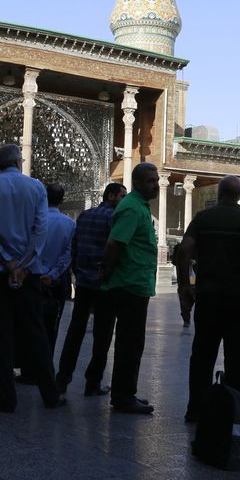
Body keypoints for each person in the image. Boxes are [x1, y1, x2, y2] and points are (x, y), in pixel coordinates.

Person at [0, 144, 64, 413]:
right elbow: (40, 231)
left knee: (0, 334)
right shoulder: (36, 187)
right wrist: (23, 265)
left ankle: (7, 397)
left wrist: (6, 261)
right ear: (18, 161)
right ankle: (50, 394)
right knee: (36, 332)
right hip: (30, 273)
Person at [178, 175, 240, 423]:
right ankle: (234, 410)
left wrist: (185, 287)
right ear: (239, 195)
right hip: (238, 298)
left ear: (220, 193)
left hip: (208, 295)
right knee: (236, 356)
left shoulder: (202, 218)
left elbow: (185, 249)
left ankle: (195, 408)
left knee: (202, 354)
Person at [101, 162, 160, 414]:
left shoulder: (139, 207)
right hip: (129, 284)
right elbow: (115, 243)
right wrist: (108, 270)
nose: (156, 185)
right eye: (150, 181)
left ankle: (125, 392)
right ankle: (124, 396)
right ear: (137, 183)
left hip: (135, 283)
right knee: (130, 342)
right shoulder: (133, 208)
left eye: (156, 180)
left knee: (132, 341)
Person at [56, 183, 126, 397]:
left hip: (84, 281)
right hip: (105, 283)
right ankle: (93, 382)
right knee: (102, 335)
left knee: (75, 331)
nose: (124, 200)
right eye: (122, 196)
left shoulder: (85, 216)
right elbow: (114, 250)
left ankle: (62, 379)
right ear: (111, 196)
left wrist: (77, 272)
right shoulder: (114, 218)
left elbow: (74, 247)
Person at [37, 182, 75, 355]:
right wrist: (52, 274)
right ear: (62, 200)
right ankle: (45, 365)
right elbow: (69, 253)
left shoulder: (35, 220)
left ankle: (29, 368)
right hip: (57, 281)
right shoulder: (69, 224)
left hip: (33, 277)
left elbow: (29, 249)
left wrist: (39, 271)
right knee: (52, 324)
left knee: (32, 323)